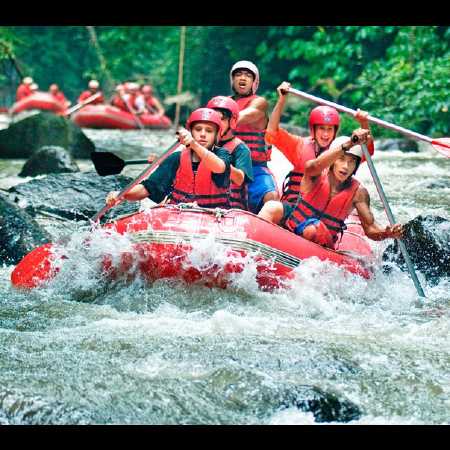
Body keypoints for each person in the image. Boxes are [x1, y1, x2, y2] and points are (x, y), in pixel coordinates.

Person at [258, 128, 403, 248]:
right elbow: (314, 165)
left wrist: (387, 232)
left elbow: (370, 228)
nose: (346, 167)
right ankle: (253, 246)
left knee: (312, 229)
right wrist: (349, 143)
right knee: (272, 207)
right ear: (333, 160)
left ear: (356, 166)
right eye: (341, 159)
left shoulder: (359, 193)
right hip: (292, 227)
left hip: (320, 242)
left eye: (352, 162)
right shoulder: (315, 174)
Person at [266, 81, 375, 205]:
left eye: (329, 129)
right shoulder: (299, 145)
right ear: (313, 129)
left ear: (335, 131)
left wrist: (363, 123)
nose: (325, 134)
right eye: (322, 129)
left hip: (322, 209)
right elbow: (272, 132)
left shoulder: (344, 149)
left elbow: (368, 150)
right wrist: (282, 100)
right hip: (295, 204)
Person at [106, 108, 232, 209]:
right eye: (198, 129)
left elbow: (219, 167)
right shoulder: (176, 158)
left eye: (209, 131)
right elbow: (147, 188)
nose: (203, 134)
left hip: (214, 215)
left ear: (216, 136)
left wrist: (194, 144)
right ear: (191, 132)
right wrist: (122, 195)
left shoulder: (223, 155)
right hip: (180, 213)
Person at [230, 60, 279, 214]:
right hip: (226, 165)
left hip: (254, 167)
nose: (242, 78)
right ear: (232, 80)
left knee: (270, 196)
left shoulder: (259, 103)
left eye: (247, 75)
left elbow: (245, 116)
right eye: (238, 75)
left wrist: (219, 118)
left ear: (254, 82)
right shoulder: (224, 104)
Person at [206, 95, 253, 210]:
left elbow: (239, 179)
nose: (216, 123)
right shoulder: (199, 144)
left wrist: (218, 162)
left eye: (221, 119)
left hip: (229, 208)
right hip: (201, 204)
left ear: (232, 122)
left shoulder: (241, 149)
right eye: (213, 118)